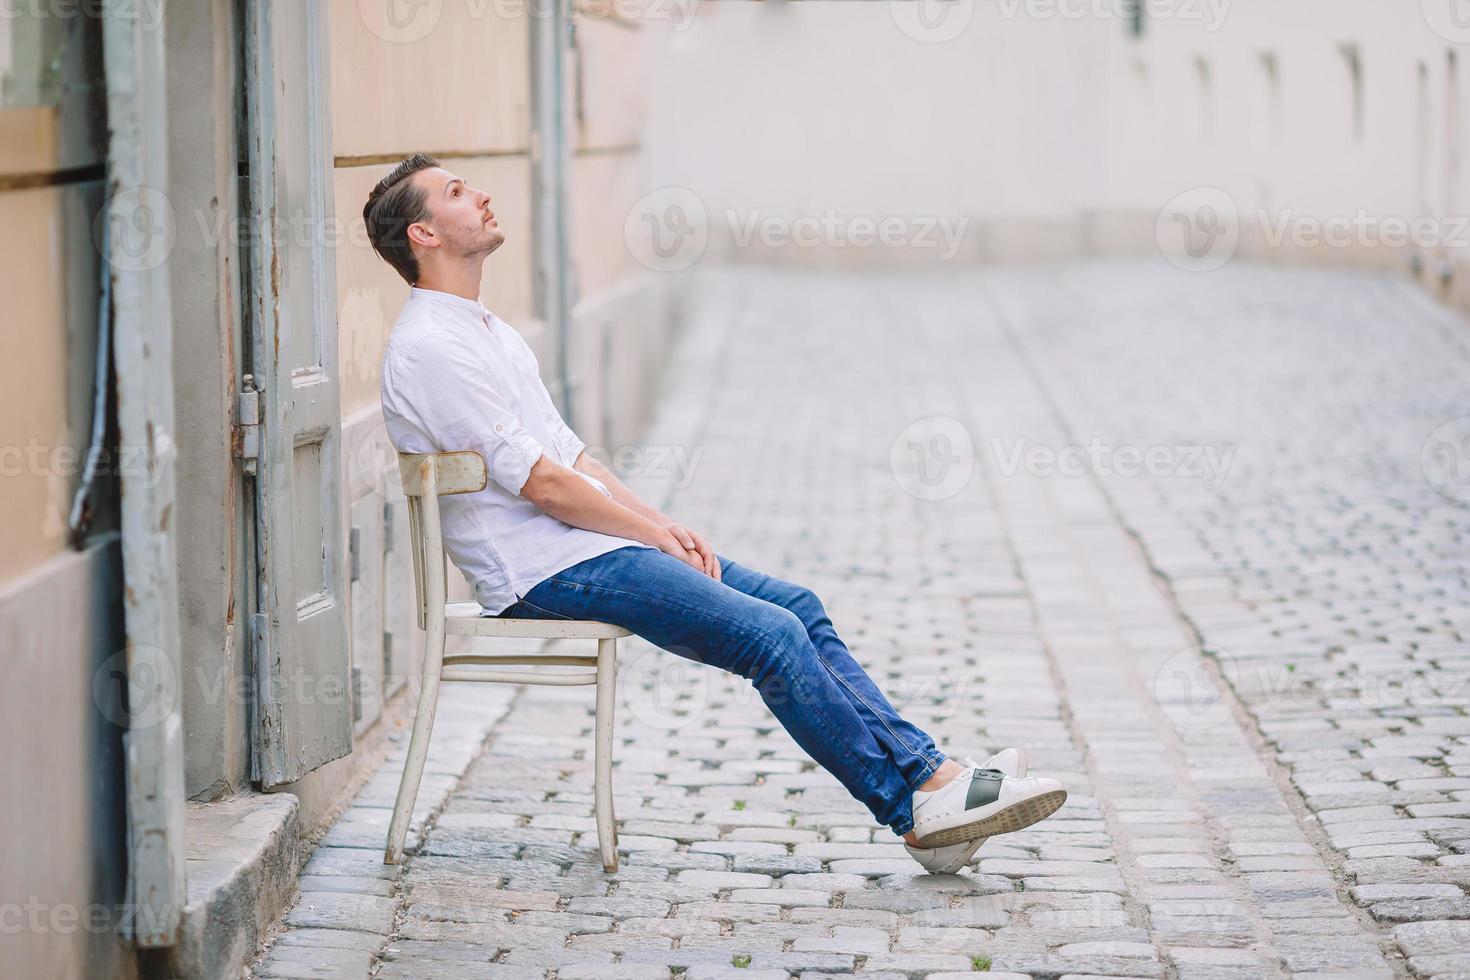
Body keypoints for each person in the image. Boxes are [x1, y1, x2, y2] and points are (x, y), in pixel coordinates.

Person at [363, 154, 1067, 873]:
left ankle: (934, 778)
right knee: (772, 637)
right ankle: (912, 810)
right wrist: (646, 535)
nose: (480, 194)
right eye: (455, 192)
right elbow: (542, 484)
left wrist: (660, 526)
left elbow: (573, 459)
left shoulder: (486, 332)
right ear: (423, 233)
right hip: (540, 574)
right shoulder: (430, 348)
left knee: (798, 605)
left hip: (584, 550)